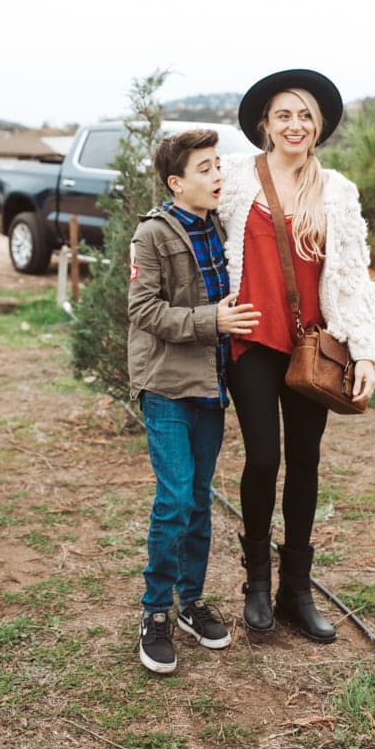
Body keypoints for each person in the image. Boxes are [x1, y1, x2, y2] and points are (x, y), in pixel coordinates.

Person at [218, 70, 375, 643]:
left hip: (313, 346)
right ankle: (257, 584)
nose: (295, 125)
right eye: (283, 115)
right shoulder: (235, 181)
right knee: (264, 458)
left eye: (305, 115)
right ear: (264, 124)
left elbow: (353, 276)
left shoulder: (336, 190)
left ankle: (296, 590)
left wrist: (364, 352)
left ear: (319, 128)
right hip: (251, 342)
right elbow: (197, 239)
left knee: (305, 462)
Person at [128, 128, 261, 674]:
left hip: (210, 383)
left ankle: (191, 601)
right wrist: (214, 321)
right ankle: (155, 612)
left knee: (200, 499)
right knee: (176, 498)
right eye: (205, 169)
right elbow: (143, 309)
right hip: (165, 384)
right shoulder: (153, 236)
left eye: (219, 166)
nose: (217, 176)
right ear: (176, 182)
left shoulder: (222, 228)